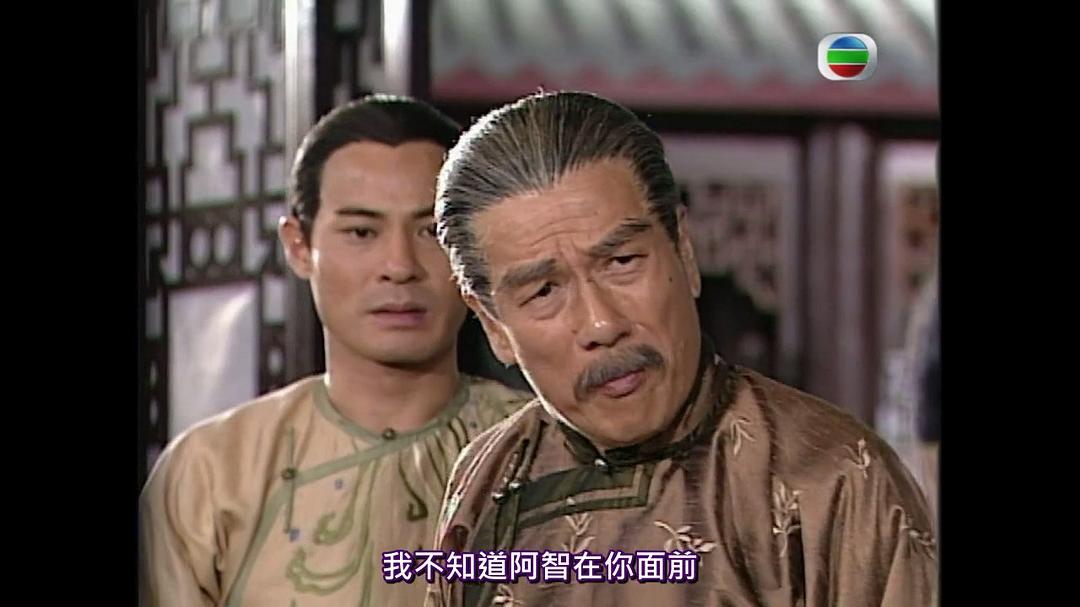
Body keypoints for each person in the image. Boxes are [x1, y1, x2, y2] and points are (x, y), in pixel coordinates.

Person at [423, 91, 937, 606]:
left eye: (622, 262)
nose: (601, 323)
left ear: (684, 252)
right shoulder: (488, 477)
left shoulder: (835, 477)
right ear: (493, 324)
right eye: (544, 291)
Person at [139, 95, 533, 607]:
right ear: (299, 247)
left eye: (430, 231)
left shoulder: (543, 450)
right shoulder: (212, 472)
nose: (399, 266)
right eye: (362, 232)